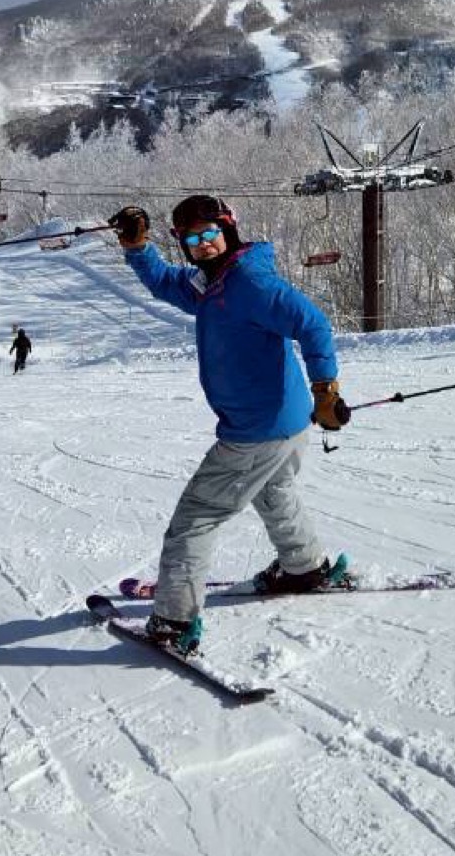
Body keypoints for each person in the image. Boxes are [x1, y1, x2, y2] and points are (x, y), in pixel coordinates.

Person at [107, 195, 351, 655]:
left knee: (195, 520)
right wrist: (138, 249)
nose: (203, 245)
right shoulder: (212, 284)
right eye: (191, 239)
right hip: (284, 425)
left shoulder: (250, 283)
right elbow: (165, 283)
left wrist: (327, 390)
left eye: (210, 233)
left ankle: (173, 622)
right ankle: (305, 567)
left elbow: (313, 324)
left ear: (229, 228)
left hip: (256, 431)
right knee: (274, 492)